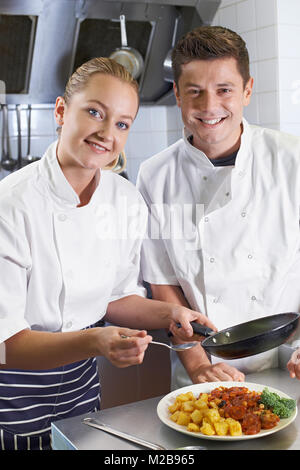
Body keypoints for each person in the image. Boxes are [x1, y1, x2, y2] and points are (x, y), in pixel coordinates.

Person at [0, 57, 215, 450]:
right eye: (94, 112)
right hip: (11, 393)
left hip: (82, 390)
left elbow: (117, 297)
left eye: (121, 124)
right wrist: (95, 341)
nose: (106, 133)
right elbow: (6, 343)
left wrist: (171, 314)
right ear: (62, 111)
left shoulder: (124, 199)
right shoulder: (11, 205)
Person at [136, 26, 300, 391]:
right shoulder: (155, 175)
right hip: (202, 367)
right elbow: (163, 283)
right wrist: (197, 366)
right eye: (194, 92)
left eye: (224, 90)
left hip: (290, 361)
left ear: (247, 90)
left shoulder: (293, 160)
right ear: (177, 94)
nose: (209, 107)